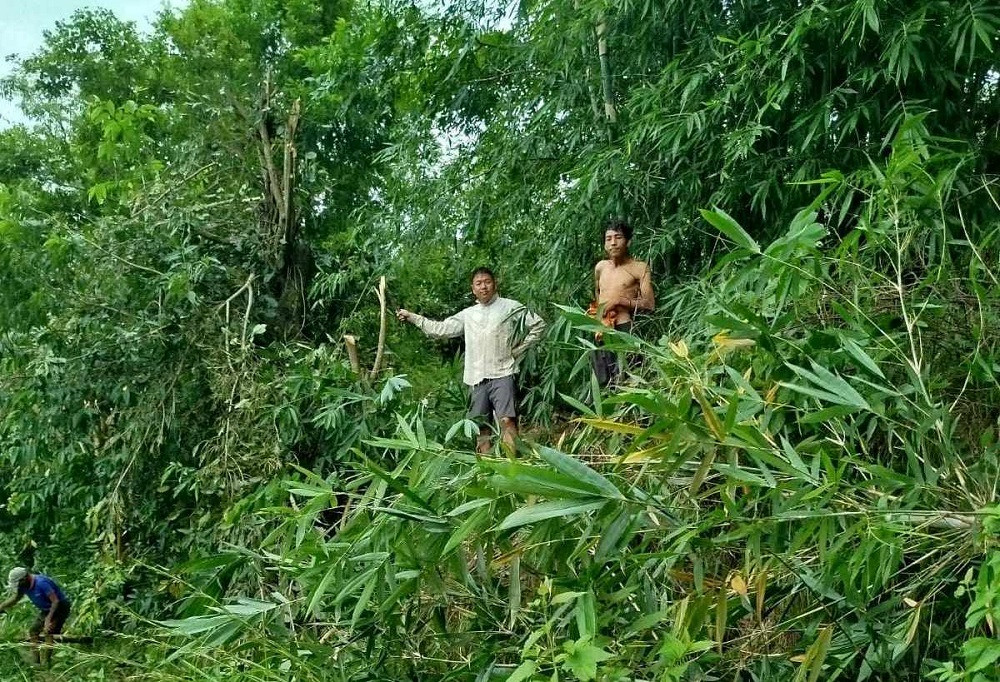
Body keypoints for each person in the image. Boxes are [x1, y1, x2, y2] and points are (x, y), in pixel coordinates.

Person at [397, 267, 545, 453]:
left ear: (495, 284)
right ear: (473, 289)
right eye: (479, 283)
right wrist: (413, 317)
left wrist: (519, 350)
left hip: (503, 373)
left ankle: (512, 469)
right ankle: (487, 473)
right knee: (481, 428)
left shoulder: (510, 307)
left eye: (487, 282)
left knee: (507, 420)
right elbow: (440, 329)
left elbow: (538, 324)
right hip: (476, 378)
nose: (484, 287)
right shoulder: (468, 314)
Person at [590, 219, 655, 385]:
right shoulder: (600, 267)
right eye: (608, 239)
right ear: (604, 244)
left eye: (618, 237)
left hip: (625, 329)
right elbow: (598, 293)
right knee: (603, 380)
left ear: (628, 241)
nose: (613, 243)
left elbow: (649, 304)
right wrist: (599, 312)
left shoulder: (640, 268)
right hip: (602, 329)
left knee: (629, 376)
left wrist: (620, 301)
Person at [0, 567, 71, 665]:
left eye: (19, 583)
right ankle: (36, 662)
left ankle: (46, 663)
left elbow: (55, 601)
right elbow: (15, 598)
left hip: (59, 608)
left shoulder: (41, 583)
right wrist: (2, 606)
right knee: (33, 631)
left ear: (25, 578)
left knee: (48, 632)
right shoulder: (23, 586)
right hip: (46, 609)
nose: (18, 586)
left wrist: (48, 620)